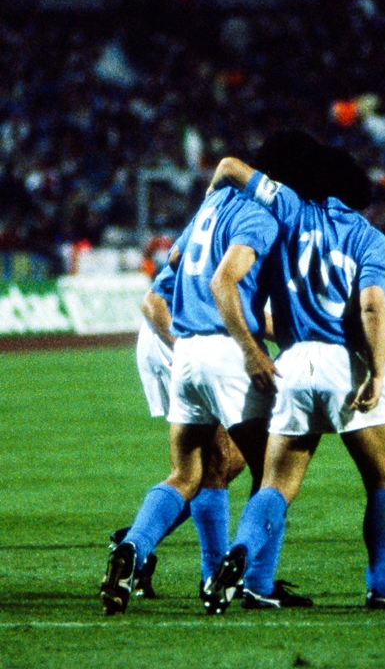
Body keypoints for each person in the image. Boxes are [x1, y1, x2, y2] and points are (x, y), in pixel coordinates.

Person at [202, 130, 385, 613]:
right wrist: (377, 372)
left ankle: (242, 556)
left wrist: (211, 197)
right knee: (384, 479)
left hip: (293, 364)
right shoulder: (368, 237)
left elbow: (234, 167)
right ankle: (382, 587)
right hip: (346, 363)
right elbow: (371, 306)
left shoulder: (289, 210)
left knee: (276, 484)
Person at [100, 183, 296, 615]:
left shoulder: (211, 211)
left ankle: (134, 545)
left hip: (191, 345)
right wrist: (192, 344)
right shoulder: (256, 222)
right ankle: (245, 580)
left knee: (201, 468)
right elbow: (154, 301)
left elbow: (179, 267)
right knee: (266, 470)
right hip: (187, 340)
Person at [107, 257, 247, 601]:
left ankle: (136, 539)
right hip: (179, 336)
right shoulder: (241, 236)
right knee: (212, 462)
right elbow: (152, 301)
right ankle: (212, 577)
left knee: (233, 460)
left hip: (197, 339)